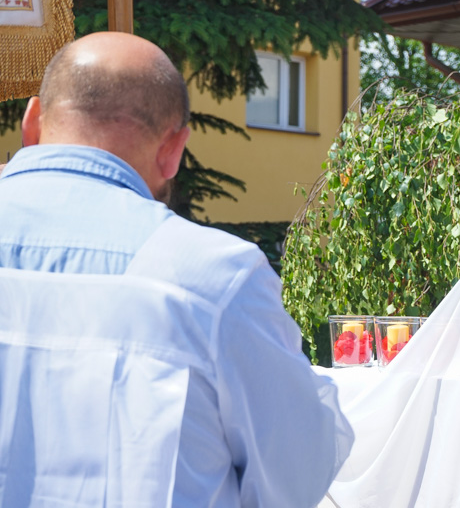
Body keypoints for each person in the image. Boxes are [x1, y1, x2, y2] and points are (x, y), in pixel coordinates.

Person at [0, 33, 353, 506]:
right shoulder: (215, 278)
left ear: (33, 122)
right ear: (174, 150)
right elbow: (296, 473)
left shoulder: (211, 279)